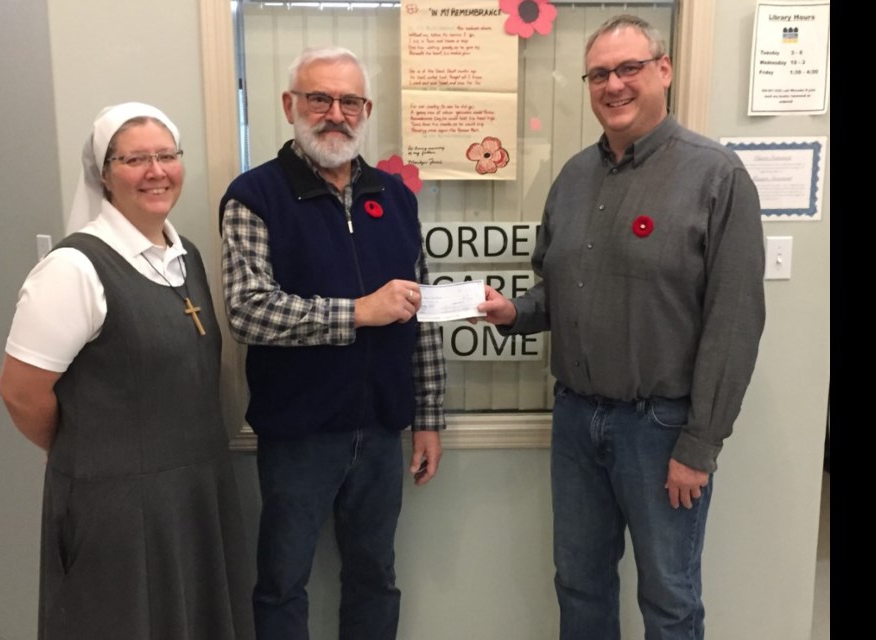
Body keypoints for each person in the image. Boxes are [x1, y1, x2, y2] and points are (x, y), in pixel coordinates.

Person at [477, 15, 766, 640]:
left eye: (629, 68)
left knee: (669, 600)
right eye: (600, 74)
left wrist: (699, 446)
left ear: (663, 70)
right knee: (579, 585)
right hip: (577, 421)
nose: (614, 85)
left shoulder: (717, 176)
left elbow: (735, 322)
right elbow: (559, 288)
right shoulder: (574, 178)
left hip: (661, 430)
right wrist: (514, 313)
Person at [219, 46, 446, 640]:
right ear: (291, 104)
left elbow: (416, 313)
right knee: (282, 583)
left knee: (375, 577)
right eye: (319, 98)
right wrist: (357, 314)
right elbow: (247, 311)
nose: (335, 113)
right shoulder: (254, 196)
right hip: (297, 436)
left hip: (380, 433)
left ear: (366, 110)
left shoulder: (395, 197)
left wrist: (429, 418)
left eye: (349, 101)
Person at [0, 102, 241, 639]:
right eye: (134, 159)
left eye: (166, 156)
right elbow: (20, 393)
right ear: (104, 174)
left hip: (194, 493)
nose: (155, 171)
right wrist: (94, 450)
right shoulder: (74, 269)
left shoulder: (187, 255)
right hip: (117, 507)